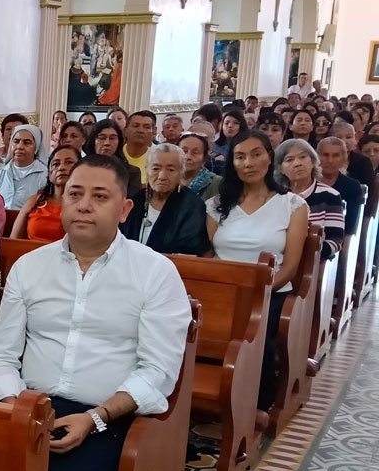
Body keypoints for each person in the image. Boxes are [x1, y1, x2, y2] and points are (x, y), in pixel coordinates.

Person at [0, 154, 190, 471]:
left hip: (107, 412)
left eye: (99, 196)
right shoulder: (30, 268)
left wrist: (95, 419)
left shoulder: (154, 273)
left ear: (125, 209)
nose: (84, 206)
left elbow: (157, 372)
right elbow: (1, 353)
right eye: (75, 194)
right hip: (30, 403)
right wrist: (18, 405)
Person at [206, 132, 309, 412]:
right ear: (232, 162)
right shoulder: (217, 205)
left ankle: (255, 406)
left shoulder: (293, 205)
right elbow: (213, 254)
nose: (248, 162)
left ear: (269, 157)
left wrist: (261, 289)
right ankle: (206, 398)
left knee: (257, 331)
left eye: (256, 154)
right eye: (240, 156)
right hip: (225, 290)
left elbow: (289, 266)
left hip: (270, 292)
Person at [120, 144, 211, 256]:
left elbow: (189, 251)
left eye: (171, 170)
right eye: (155, 169)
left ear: (181, 173)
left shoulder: (192, 206)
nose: (162, 176)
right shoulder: (135, 200)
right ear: (146, 170)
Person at [275, 139, 344, 259]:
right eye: (289, 160)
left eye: (302, 157)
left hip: (313, 262)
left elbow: (335, 241)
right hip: (276, 259)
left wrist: (306, 254)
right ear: (281, 169)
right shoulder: (274, 196)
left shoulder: (330, 195)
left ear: (313, 162)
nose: (297, 163)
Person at [9, 146, 81, 242]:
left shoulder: (84, 204)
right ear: (50, 174)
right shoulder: (35, 201)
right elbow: (13, 242)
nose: (61, 167)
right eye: (56, 164)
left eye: (69, 162)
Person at [0, 124, 49, 211]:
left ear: (36, 148)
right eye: (16, 141)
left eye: (27, 142)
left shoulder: (45, 175)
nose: (19, 147)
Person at [318, 137, 366, 236]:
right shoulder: (307, 182)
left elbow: (350, 225)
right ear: (317, 157)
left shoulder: (352, 186)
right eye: (325, 155)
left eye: (336, 156)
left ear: (344, 158)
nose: (330, 160)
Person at [84, 119, 143, 197]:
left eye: (112, 138)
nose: (107, 143)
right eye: (102, 138)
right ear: (93, 141)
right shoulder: (82, 169)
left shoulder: (132, 173)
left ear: (119, 142)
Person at [179, 132, 223, 201]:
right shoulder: (168, 180)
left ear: (204, 160)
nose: (188, 157)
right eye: (184, 151)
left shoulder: (217, 183)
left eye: (195, 152)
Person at [123, 111, 157, 185]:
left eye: (147, 127)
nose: (140, 130)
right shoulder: (115, 153)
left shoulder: (158, 158)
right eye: (136, 126)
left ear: (153, 132)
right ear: (125, 131)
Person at [212, 109, 246, 174]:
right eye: (226, 123)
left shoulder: (247, 146)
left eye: (235, 123)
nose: (230, 126)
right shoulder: (214, 146)